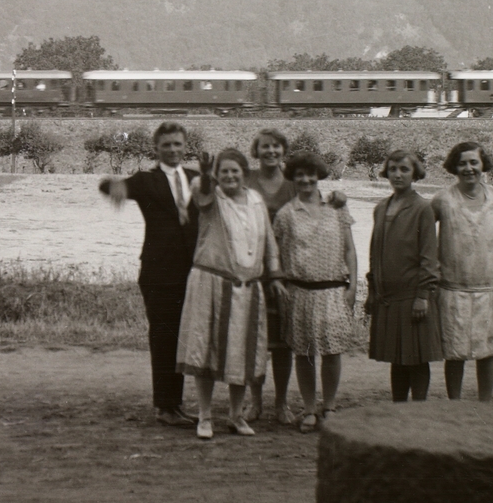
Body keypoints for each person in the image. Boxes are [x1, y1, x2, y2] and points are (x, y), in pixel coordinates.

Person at [176, 148, 281, 439]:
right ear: (217, 174)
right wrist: (207, 173)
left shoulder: (256, 200)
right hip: (211, 282)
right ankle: (206, 417)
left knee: (244, 354)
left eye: (235, 171)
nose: (230, 176)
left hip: (249, 288)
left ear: (245, 173)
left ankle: (235, 416)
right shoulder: (209, 195)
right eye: (224, 171)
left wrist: (275, 274)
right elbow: (204, 192)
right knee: (207, 351)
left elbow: (269, 242)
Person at [99, 122, 200, 426]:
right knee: (163, 337)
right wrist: (114, 187)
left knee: (181, 339)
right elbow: (108, 185)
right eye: (166, 145)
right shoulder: (146, 180)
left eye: (177, 144)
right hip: (159, 272)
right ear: (156, 149)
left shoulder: (197, 178)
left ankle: (176, 404)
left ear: (185, 147)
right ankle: (163, 406)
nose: (172, 150)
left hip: (193, 272)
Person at [245, 129, 346, 425]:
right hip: (254, 268)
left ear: (283, 151)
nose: (270, 152)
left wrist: (336, 198)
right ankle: (254, 402)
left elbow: (316, 199)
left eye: (276, 146)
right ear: (257, 150)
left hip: (283, 273)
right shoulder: (248, 181)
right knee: (256, 340)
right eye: (265, 146)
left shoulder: (292, 183)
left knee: (284, 343)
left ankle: (281, 404)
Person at [271, 151, 358, 433]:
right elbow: (274, 253)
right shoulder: (285, 214)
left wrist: (353, 285)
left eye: (311, 174)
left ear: (319, 175)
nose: (306, 180)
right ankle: (309, 409)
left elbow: (349, 249)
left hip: (333, 290)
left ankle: (329, 407)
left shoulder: (337, 207)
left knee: (332, 352)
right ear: (293, 179)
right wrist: (279, 281)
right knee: (305, 354)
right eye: (299, 175)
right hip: (300, 292)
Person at [431, 142, 493, 402]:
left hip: (489, 287)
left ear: (483, 165)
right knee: (455, 352)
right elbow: (421, 232)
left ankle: (485, 404)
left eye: (474, 162)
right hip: (454, 288)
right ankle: (455, 404)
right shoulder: (443, 199)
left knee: (487, 351)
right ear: (453, 167)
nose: (468, 168)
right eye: (462, 163)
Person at [367, 150, 442, 402]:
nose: (397, 175)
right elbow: (375, 252)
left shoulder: (422, 208)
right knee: (397, 357)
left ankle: (418, 410)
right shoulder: (380, 208)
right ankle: (397, 409)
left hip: (413, 296)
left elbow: (429, 257)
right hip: (388, 297)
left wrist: (423, 295)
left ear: (415, 174)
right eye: (392, 169)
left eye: (404, 170)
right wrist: (372, 291)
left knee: (416, 357)